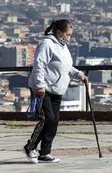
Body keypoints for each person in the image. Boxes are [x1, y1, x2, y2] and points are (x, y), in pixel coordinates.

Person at [24, 19, 88, 163]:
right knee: (47, 119)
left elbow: (66, 67)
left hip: (57, 90)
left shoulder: (62, 47)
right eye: (68, 34)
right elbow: (39, 65)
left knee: (54, 122)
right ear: (59, 32)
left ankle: (45, 152)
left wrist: (79, 75)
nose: (69, 38)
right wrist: (39, 85)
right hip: (43, 89)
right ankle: (30, 147)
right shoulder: (47, 44)